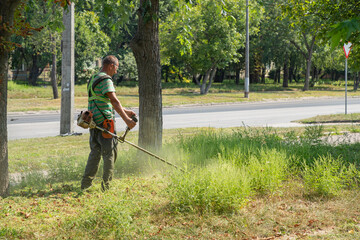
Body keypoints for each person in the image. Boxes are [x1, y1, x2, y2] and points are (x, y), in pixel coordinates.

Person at [81, 55, 136, 191]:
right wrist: (127, 120)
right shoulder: (106, 79)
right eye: (116, 68)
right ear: (111, 66)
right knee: (110, 154)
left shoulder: (94, 78)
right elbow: (114, 101)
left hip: (93, 123)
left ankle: (85, 185)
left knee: (95, 154)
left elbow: (102, 99)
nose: (116, 72)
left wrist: (126, 111)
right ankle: (107, 186)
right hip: (106, 124)